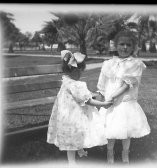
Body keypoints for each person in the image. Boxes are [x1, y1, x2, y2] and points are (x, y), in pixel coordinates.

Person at [47, 50, 113, 165]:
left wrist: (91, 94)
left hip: (65, 115)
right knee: (75, 134)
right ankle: (72, 163)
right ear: (76, 70)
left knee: (72, 136)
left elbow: (81, 95)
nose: (81, 74)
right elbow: (88, 101)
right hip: (74, 116)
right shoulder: (76, 85)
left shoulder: (66, 81)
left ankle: (80, 150)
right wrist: (104, 104)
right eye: (80, 71)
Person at [96, 30, 151, 164]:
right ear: (115, 46)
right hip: (110, 104)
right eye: (121, 44)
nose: (125, 47)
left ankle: (125, 153)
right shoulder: (108, 64)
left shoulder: (135, 64)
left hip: (125, 103)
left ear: (133, 47)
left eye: (128, 45)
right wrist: (99, 96)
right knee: (110, 130)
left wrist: (113, 96)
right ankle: (110, 152)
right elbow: (102, 85)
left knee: (126, 131)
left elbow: (128, 84)